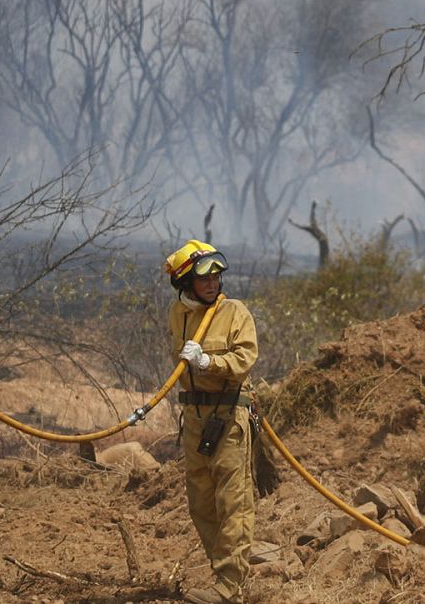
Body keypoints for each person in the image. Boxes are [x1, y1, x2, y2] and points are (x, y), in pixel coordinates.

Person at [165, 240, 258, 604]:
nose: (212, 283)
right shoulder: (179, 314)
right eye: (204, 278)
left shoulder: (234, 312)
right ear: (185, 282)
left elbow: (244, 359)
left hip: (228, 415)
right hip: (193, 418)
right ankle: (223, 569)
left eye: (216, 277)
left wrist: (209, 363)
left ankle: (230, 585)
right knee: (201, 502)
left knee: (233, 500)